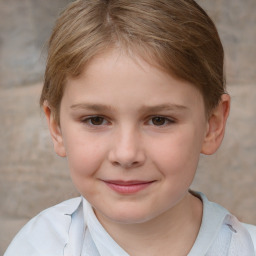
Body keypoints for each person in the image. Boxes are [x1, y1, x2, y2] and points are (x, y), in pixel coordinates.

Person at [4, 0, 256, 255]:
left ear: (212, 125)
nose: (126, 155)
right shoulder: (38, 247)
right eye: (96, 120)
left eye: (159, 120)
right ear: (56, 127)